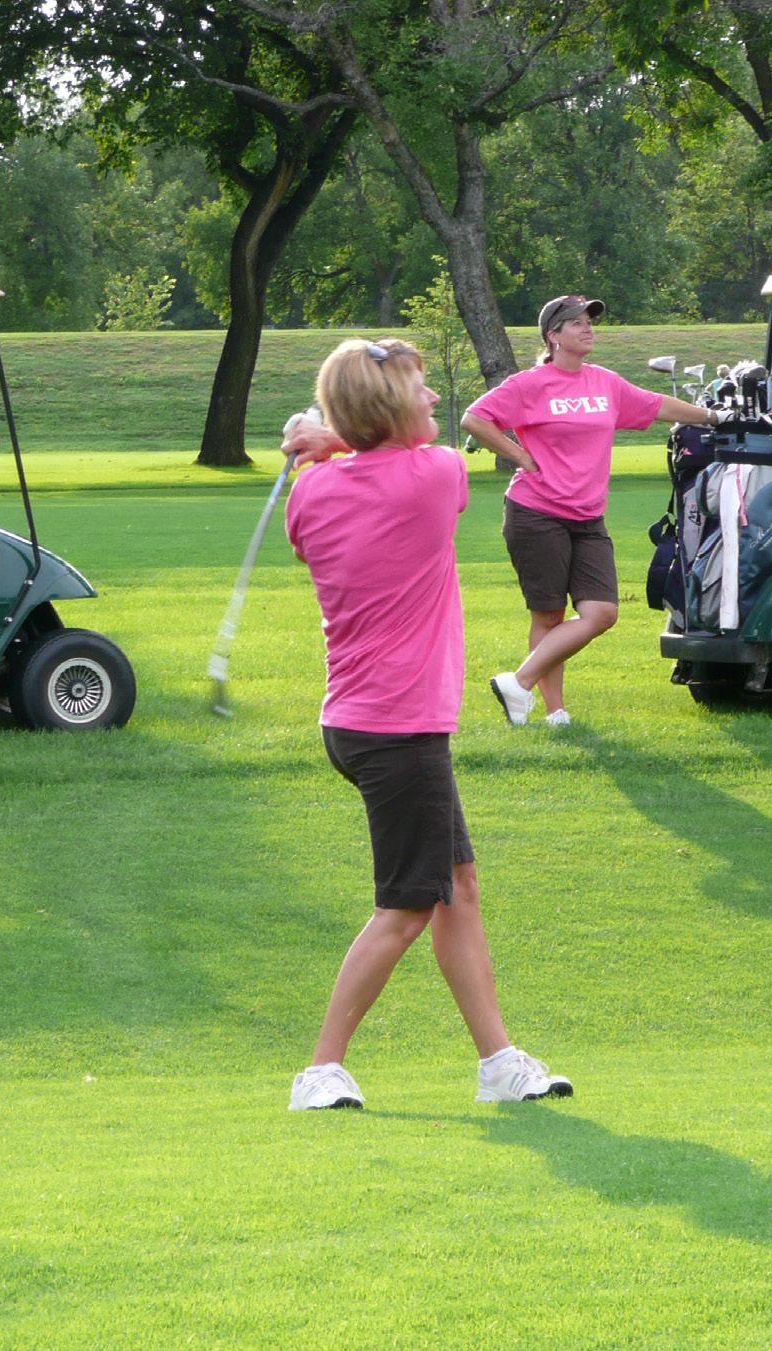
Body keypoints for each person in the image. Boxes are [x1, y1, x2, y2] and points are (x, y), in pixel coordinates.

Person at [282, 337, 572, 1111]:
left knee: (456, 889)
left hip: (358, 721)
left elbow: (356, 460)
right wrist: (335, 438)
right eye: (419, 388)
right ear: (387, 407)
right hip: (398, 729)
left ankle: (498, 1062)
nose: (435, 399)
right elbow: (397, 457)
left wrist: (324, 441)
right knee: (406, 905)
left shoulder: (307, 492)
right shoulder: (434, 477)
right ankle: (320, 1069)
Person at [460, 294, 726, 726]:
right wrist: (520, 456)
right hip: (536, 512)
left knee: (602, 612)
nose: (587, 328)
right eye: (576, 322)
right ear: (553, 335)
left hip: (588, 517)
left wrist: (713, 418)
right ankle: (554, 711)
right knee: (548, 614)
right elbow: (475, 419)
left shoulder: (604, 382)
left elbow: (657, 405)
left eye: (589, 321)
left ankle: (518, 682)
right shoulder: (530, 384)